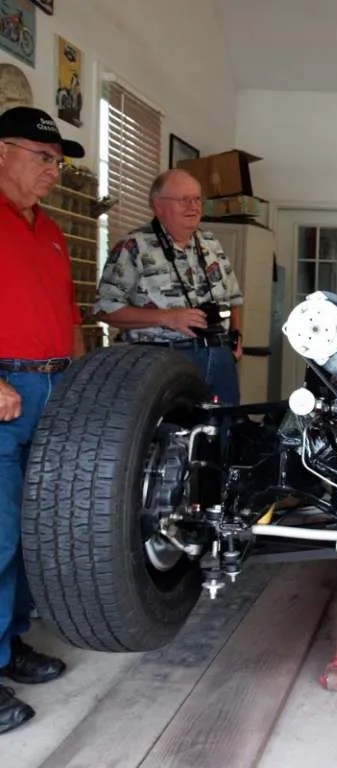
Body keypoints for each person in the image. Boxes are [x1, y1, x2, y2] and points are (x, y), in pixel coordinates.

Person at [0, 106, 86, 734]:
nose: (54, 170)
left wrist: (82, 382)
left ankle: (10, 645)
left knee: (36, 532)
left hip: (56, 388)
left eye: (57, 161)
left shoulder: (50, 231)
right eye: (42, 157)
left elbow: (70, 315)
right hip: (6, 390)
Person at [94, 169, 244, 404]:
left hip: (218, 355)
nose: (193, 207)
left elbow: (234, 299)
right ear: (157, 205)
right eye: (184, 200)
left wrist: (235, 336)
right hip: (159, 357)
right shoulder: (133, 246)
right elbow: (104, 309)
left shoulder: (211, 243)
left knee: (224, 432)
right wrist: (167, 318)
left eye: (197, 200)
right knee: (170, 436)